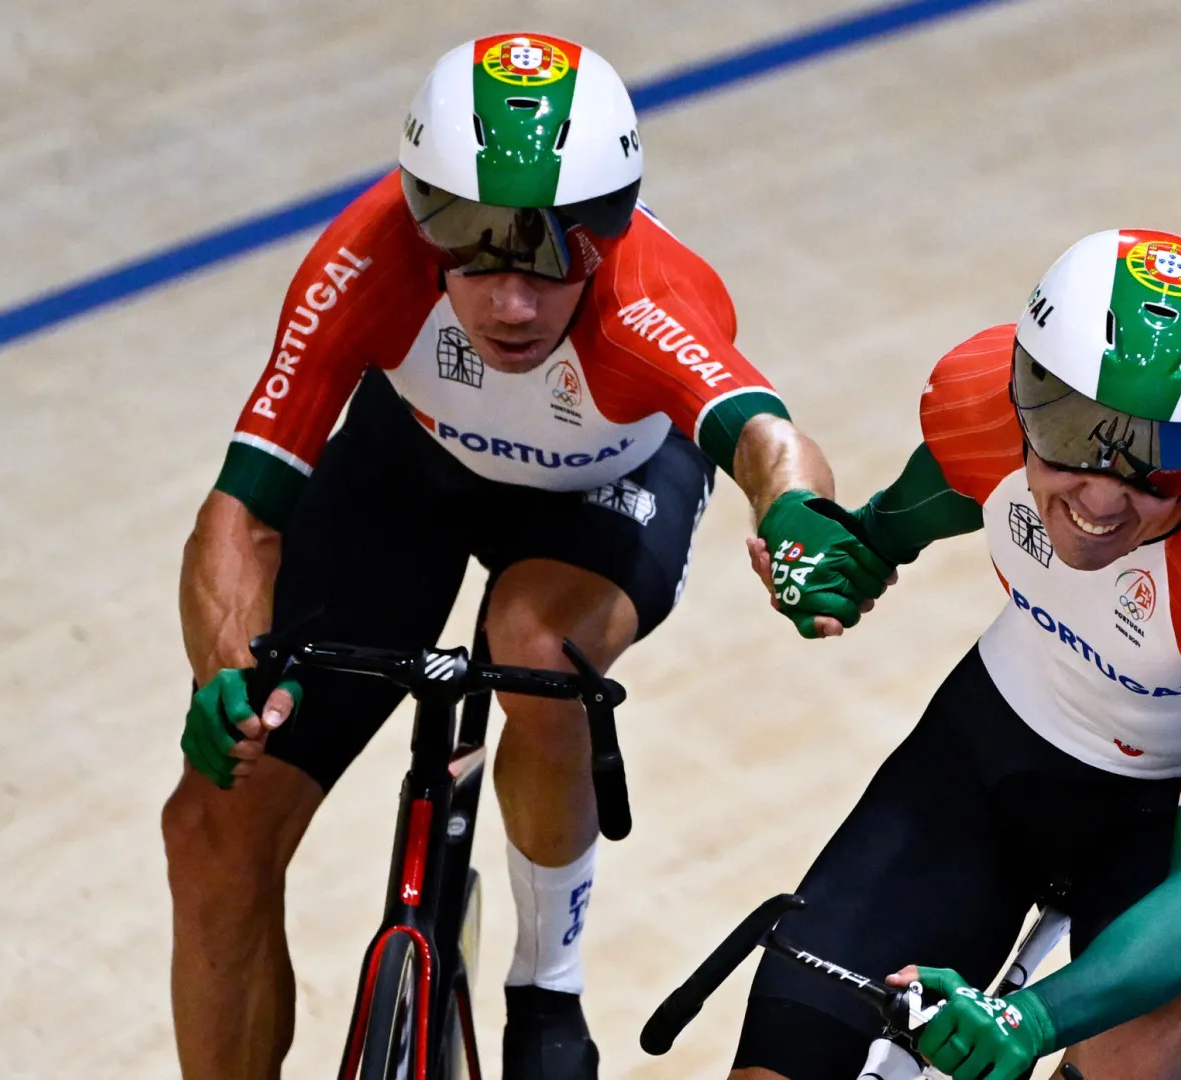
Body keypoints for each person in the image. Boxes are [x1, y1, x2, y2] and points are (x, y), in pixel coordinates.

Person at [161, 33, 891, 1080]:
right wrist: (225, 677)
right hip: (408, 474)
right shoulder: (365, 260)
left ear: (608, 231)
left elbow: (769, 443)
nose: (511, 302)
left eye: (550, 253)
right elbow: (241, 511)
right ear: (421, 217)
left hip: (601, 499)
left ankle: (545, 987)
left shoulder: (647, 302)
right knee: (211, 829)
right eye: (471, 243)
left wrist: (797, 519)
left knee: (536, 651)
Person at [733, 229, 1181, 1080]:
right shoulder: (980, 398)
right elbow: (921, 506)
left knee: (1139, 1048)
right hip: (998, 748)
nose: (1102, 493)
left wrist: (1030, 1020)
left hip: (1169, 822)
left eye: (1155, 461)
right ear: (1025, 393)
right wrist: (854, 552)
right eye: (1072, 433)